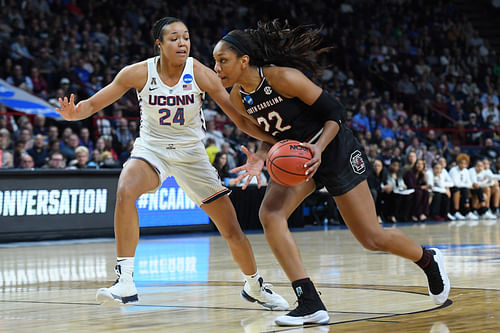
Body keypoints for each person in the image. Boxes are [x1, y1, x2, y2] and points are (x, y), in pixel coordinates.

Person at [212, 20, 450, 326]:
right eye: (215, 61)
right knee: (270, 214)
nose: (217, 67)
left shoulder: (282, 77)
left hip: (333, 149)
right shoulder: (237, 98)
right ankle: (309, 302)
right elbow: (265, 132)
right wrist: (260, 156)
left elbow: (335, 112)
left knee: (370, 237)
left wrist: (319, 148)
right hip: (299, 160)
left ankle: (428, 259)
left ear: (244, 60)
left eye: (222, 60)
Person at [56, 17, 288, 311]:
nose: (182, 43)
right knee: (126, 188)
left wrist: (270, 142)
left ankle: (254, 285)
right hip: (152, 149)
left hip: (191, 155)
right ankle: (125, 280)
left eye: (186, 38)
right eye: (175, 38)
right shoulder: (138, 73)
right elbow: (92, 104)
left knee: (231, 230)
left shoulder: (200, 73)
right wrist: (74, 114)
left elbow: (238, 118)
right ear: (160, 45)